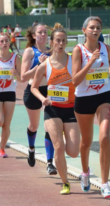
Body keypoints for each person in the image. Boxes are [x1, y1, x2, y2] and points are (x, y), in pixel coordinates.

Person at [72, 16, 110, 198]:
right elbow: (75, 81)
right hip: (84, 99)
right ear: (84, 30)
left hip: (104, 96)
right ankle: (85, 172)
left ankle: (105, 183)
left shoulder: (106, 48)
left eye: (98, 28)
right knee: (86, 142)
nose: (95, 30)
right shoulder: (78, 51)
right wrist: (90, 62)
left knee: (105, 136)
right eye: (91, 27)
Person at [31, 23, 80, 195]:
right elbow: (33, 87)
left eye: (63, 41)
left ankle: (65, 140)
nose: (60, 44)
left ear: (66, 43)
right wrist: (43, 98)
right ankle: (65, 183)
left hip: (71, 109)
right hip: (52, 110)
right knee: (58, 146)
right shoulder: (45, 66)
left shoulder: (73, 61)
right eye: (57, 40)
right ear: (51, 43)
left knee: (73, 152)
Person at [21, 23, 57, 175]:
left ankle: (50, 163)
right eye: (40, 32)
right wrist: (39, 65)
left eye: (45, 32)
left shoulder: (53, 51)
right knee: (34, 126)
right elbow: (23, 76)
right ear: (34, 35)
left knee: (50, 127)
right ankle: (31, 148)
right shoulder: (30, 52)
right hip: (33, 91)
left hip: (49, 91)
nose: (43, 34)